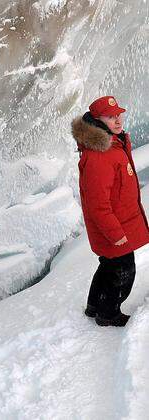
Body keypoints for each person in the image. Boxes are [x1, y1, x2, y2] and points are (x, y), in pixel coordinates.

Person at [71, 96, 149, 327]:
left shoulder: (112, 144)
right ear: (97, 120)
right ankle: (108, 314)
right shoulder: (99, 156)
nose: (117, 120)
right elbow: (98, 205)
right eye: (110, 117)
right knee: (123, 271)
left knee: (108, 265)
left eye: (118, 115)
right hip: (114, 228)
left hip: (119, 222)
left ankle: (94, 306)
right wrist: (116, 233)